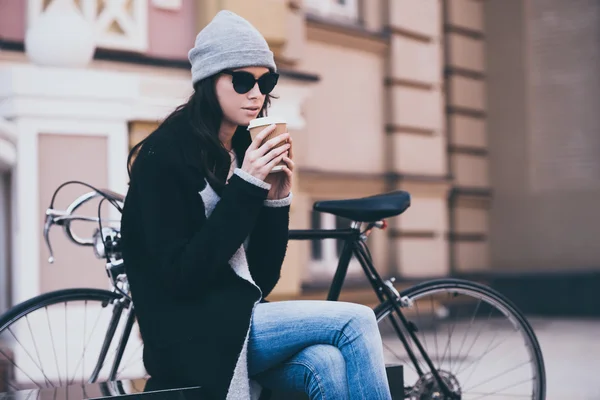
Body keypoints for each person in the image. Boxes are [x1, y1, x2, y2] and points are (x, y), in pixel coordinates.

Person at [120, 10, 392, 400]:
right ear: (209, 81)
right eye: (243, 80)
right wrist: (245, 189)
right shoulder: (165, 157)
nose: (256, 93)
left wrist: (276, 201)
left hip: (237, 318)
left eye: (266, 81)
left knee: (326, 362)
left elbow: (260, 281)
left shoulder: (244, 148)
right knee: (356, 319)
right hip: (190, 335)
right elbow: (182, 275)